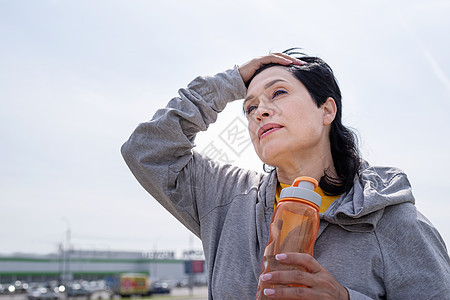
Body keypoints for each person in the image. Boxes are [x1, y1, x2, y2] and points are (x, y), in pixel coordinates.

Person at [121, 49, 450, 299]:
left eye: (278, 93)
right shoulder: (224, 197)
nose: (260, 111)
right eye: (250, 108)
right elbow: (146, 151)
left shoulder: (392, 221)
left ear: (327, 110)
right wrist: (230, 83)